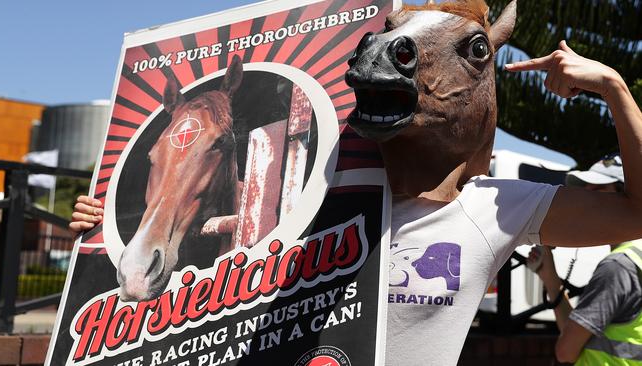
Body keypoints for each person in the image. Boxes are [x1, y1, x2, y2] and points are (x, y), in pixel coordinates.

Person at [70, 2, 642, 364]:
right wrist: (101, 236)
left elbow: (636, 213)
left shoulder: (494, 209)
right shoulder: (305, 191)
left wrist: (614, 88)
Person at [528, 156, 642, 365]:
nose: (587, 201)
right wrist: (551, 280)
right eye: (585, 191)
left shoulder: (618, 267)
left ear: (627, 196)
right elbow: (577, 337)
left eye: (597, 190)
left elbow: (565, 352)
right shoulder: (634, 259)